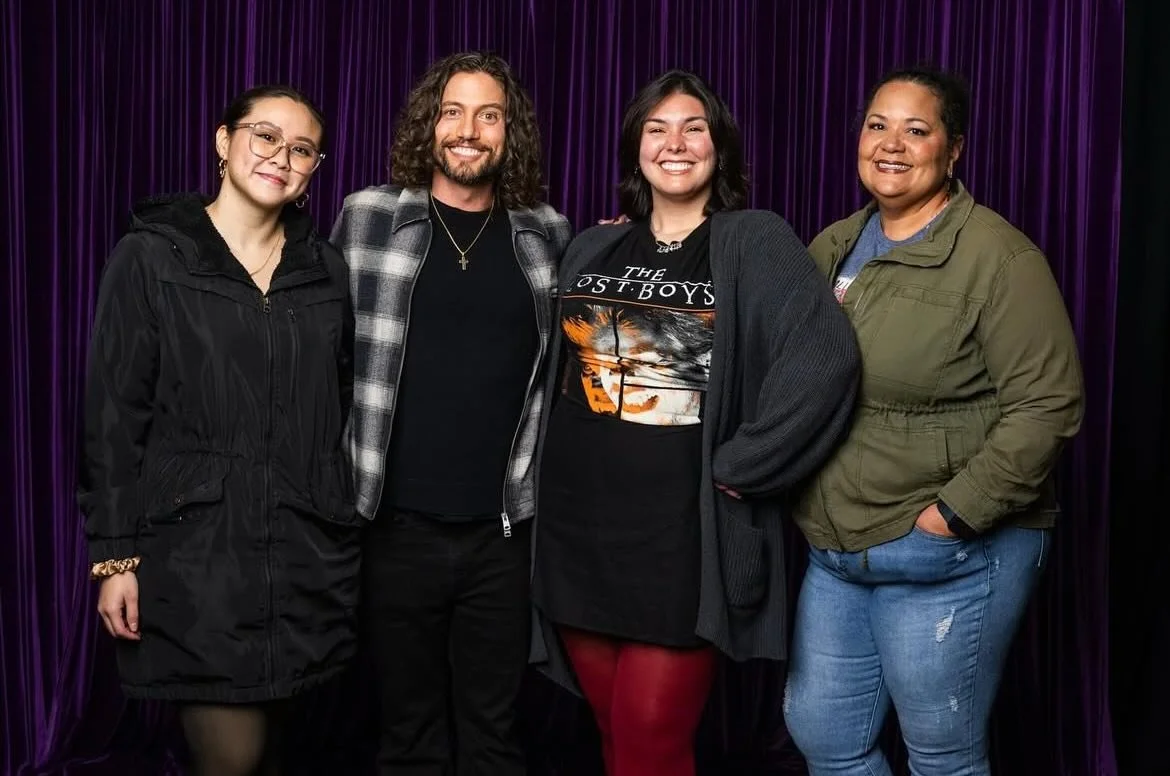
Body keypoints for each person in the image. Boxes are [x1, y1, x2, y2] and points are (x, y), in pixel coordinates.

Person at [529, 70, 861, 776]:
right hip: (576, 534)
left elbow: (827, 357)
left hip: (681, 543)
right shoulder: (593, 246)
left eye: (694, 129)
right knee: (614, 736)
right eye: (656, 129)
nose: (674, 144)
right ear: (635, 149)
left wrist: (749, 465)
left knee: (652, 742)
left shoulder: (751, 241)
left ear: (721, 149)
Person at [782, 66, 1085, 776]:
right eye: (877, 125)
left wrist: (954, 513)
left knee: (943, 756)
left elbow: (1049, 404)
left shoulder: (1000, 260)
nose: (892, 144)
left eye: (916, 130)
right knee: (826, 738)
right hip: (836, 545)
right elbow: (773, 356)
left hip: (947, 554)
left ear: (953, 151)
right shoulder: (832, 246)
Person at [79, 85, 359, 776]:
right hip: (195, 559)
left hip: (304, 558)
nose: (280, 158)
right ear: (222, 140)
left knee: (292, 754)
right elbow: (112, 414)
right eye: (264, 136)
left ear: (314, 169)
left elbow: (340, 405)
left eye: (302, 149)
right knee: (231, 761)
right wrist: (116, 557)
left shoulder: (325, 271)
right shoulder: (151, 258)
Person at [329, 52, 571, 775]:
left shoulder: (547, 234)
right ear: (428, 125)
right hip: (392, 525)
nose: (469, 131)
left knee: (495, 734)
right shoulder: (368, 216)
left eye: (489, 115)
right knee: (407, 734)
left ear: (510, 132)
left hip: (504, 534)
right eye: (453, 112)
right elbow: (324, 349)